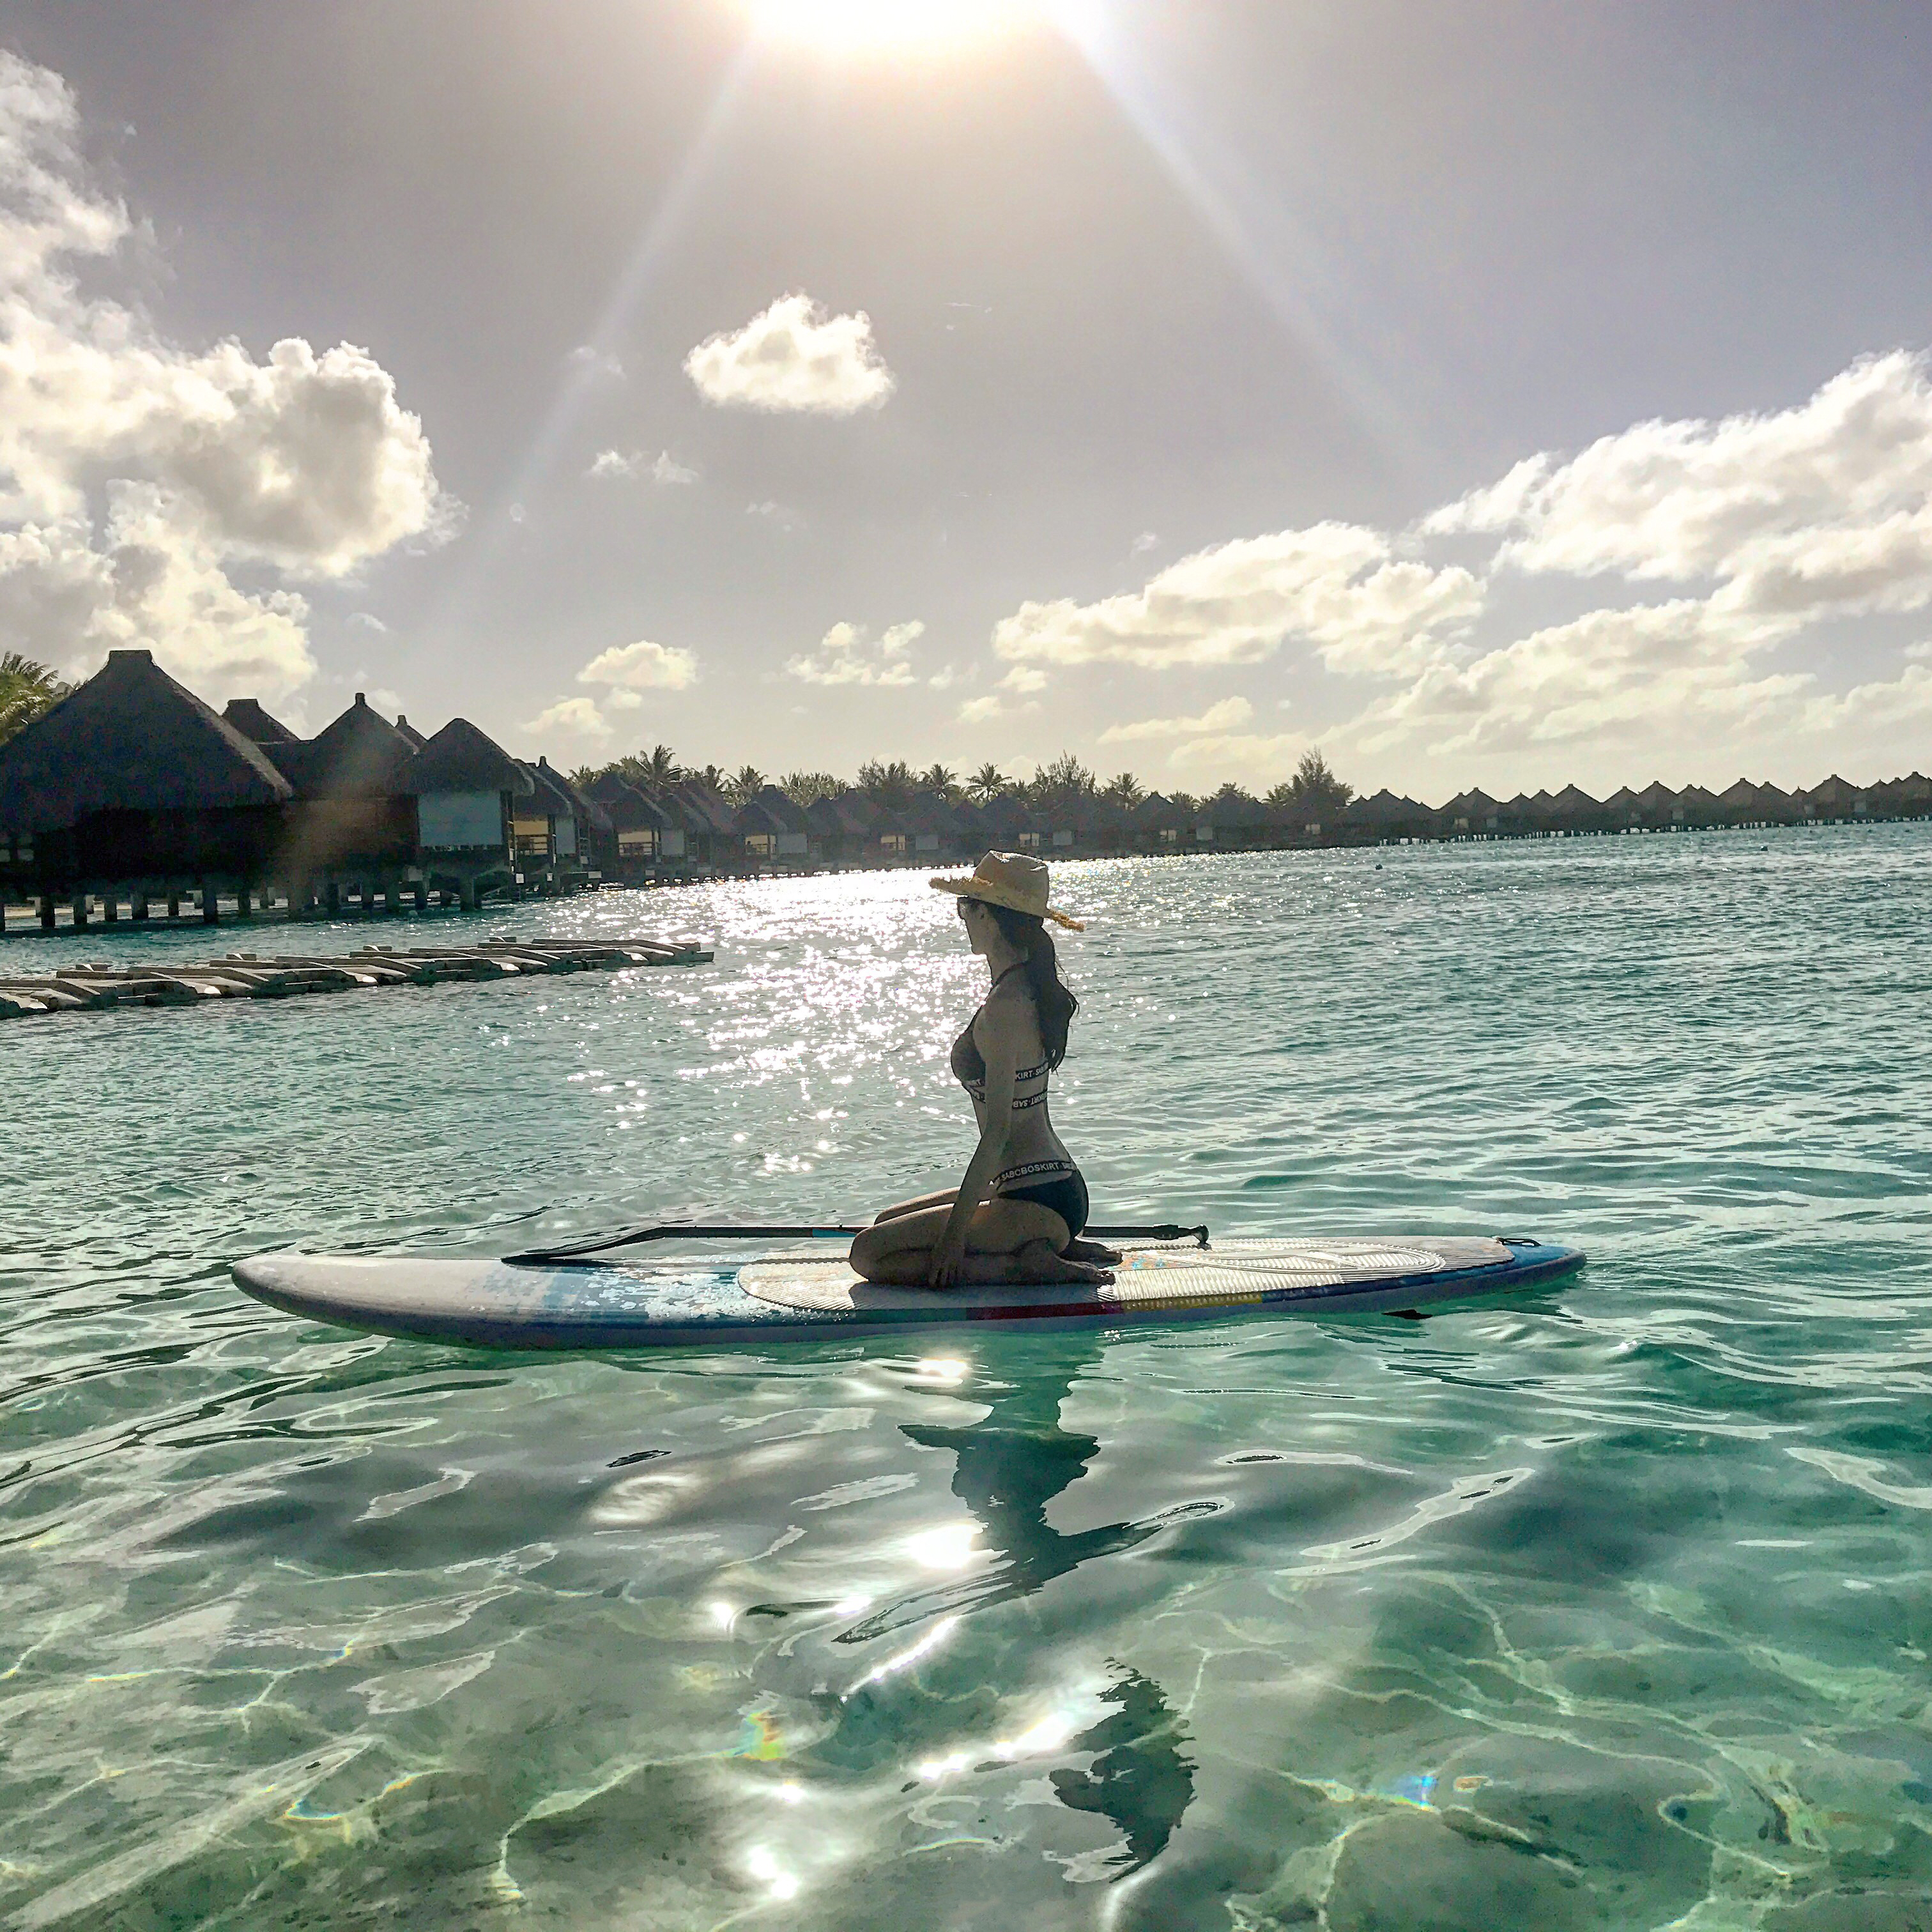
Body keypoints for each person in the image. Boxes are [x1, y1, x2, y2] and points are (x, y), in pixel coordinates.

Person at [850, 852, 1119, 1289]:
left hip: (1035, 1194)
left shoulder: (1006, 1007)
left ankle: (1024, 1263)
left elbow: (997, 1133)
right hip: (1046, 1186)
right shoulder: (1024, 990)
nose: (962, 919)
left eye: (966, 908)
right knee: (884, 1223)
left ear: (990, 917)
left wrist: (954, 1240)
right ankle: (1044, 1242)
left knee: (869, 1254)